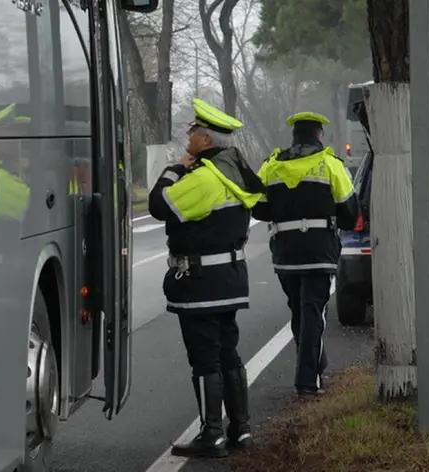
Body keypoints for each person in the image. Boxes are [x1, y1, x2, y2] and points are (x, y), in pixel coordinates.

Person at [148, 98, 266, 458]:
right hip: (229, 279)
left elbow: (159, 205)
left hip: (200, 283)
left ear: (206, 141)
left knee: (204, 359)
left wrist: (173, 169)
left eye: (193, 132)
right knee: (229, 355)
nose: (188, 136)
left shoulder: (204, 179)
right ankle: (240, 430)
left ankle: (211, 433)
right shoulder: (235, 175)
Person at [252, 112, 360, 397]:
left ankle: (315, 365)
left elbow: (258, 208)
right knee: (314, 313)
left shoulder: (271, 166)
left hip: (285, 252)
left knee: (299, 311)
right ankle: (307, 381)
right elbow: (350, 212)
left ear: (294, 136)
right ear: (319, 135)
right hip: (319, 249)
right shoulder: (329, 164)